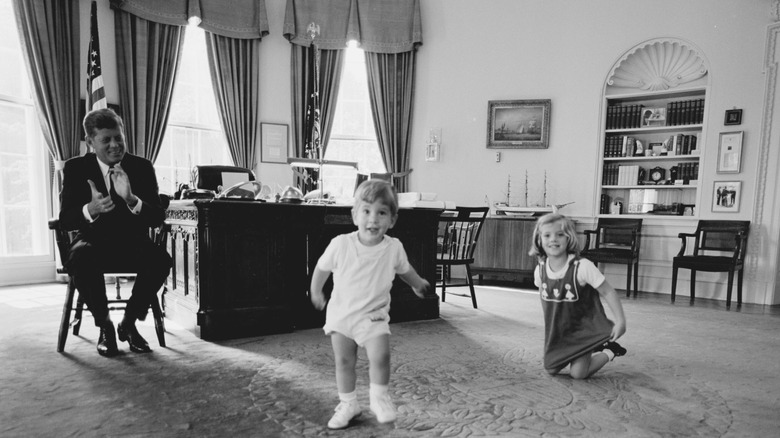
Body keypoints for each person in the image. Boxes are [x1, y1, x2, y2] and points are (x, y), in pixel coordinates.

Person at [310, 179, 430, 429]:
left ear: (392, 220)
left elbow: (405, 271)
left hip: (373, 316)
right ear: (355, 215)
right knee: (344, 362)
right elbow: (322, 269)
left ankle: (379, 397)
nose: (373, 220)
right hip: (342, 316)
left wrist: (418, 284)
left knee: (381, 356)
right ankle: (348, 403)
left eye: (381, 213)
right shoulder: (341, 244)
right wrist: (315, 291)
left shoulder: (393, 248)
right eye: (366, 211)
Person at [59, 108, 171, 357]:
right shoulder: (76, 168)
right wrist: (90, 209)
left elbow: (157, 217)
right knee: (80, 258)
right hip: (92, 240)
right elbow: (65, 219)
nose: (114, 145)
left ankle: (128, 323)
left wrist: (132, 200)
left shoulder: (141, 167)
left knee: (161, 260)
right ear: (90, 142)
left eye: (118, 138)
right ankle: (105, 326)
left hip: (132, 241)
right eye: (105, 140)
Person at [528, 213, 627, 379]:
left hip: (583, 330)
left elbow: (608, 291)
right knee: (551, 369)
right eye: (547, 235)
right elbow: (544, 296)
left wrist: (621, 321)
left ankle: (610, 351)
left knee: (578, 374)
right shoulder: (540, 270)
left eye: (560, 234)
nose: (553, 239)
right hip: (560, 331)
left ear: (569, 238)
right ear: (539, 240)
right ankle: (583, 350)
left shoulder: (583, 266)